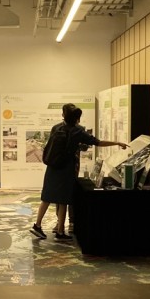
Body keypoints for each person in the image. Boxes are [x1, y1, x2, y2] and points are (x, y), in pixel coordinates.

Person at [31, 103, 127, 241]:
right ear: (77, 118)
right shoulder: (78, 131)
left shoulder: (56, 127)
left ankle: (37, 225)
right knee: (64, 200)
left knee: (46, 197)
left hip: (52, 167)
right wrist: (117, 143)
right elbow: (98, 142)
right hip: (66, 168)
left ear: (63, 115)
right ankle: (60, 232)